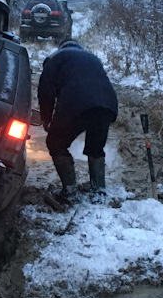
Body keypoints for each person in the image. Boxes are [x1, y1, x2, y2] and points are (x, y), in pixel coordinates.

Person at [38, 40, 118, 203]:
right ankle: (99, 192)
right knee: (96, 148)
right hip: (107, 105)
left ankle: (70, 191)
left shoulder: (55, 59)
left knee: (55, 143)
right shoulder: (92, 58)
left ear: (61, 48)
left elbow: (45, 92)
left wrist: (46, 119)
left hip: (75, 103)